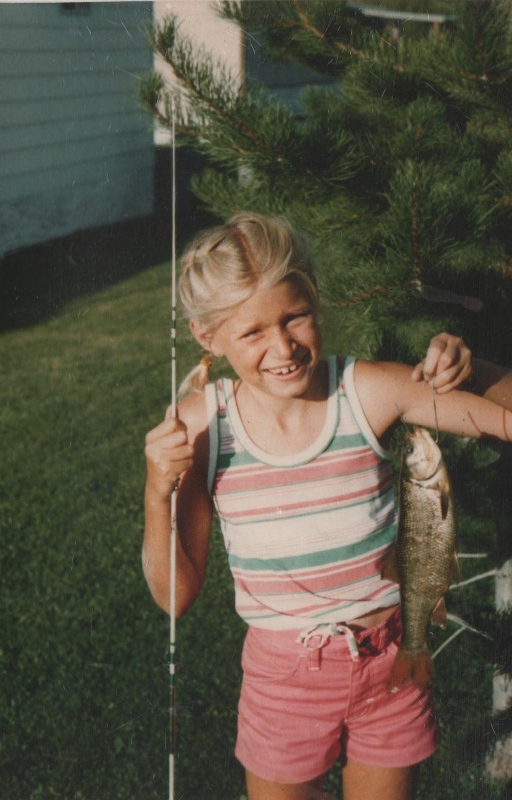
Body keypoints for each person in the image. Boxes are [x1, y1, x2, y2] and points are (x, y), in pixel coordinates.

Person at [143, 213, 512, 800]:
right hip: (281, 680)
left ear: (315, 300)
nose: (283, 347)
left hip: (393, 658)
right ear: (207, 338)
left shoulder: (366, 390)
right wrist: (156, 488)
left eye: (295, 317)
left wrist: (472, 367)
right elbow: (175, 596)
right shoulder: (200, 425)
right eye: (253, 333)